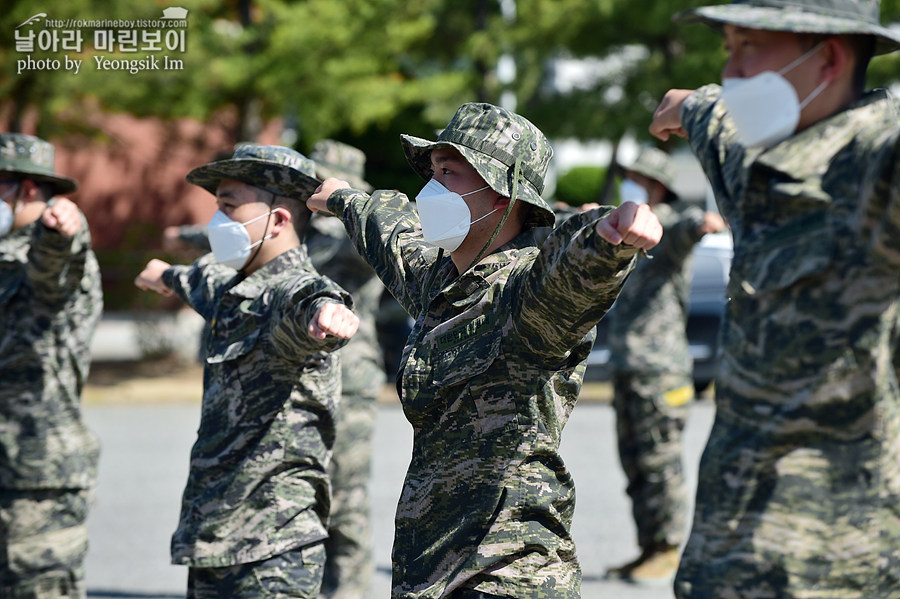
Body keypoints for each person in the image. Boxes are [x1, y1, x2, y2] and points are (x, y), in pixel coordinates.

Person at [308, 102, 663, 599]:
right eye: (432, 172)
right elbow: (389, 228)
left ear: (502, 197)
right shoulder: (438, 279)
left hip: (506, 573)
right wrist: (342, 197)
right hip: (428, 572)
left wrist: (612, 238)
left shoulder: (523, 292)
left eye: (450, 172)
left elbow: (571, 270)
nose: (431, 189)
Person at [649, 0, 900, 596]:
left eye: (750, 48)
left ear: (830, 56)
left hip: (835, 572)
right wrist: (688, 105)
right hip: (727, 563)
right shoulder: (760, 166)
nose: (732, 71)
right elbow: (714, 118)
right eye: (728, 49)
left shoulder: (875, 163)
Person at [134, 144, 360, 599]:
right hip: (214, 539)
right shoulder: (228, 283)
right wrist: (163, 274)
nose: (217, 224)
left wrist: (330, 315)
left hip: (274, 551)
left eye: (228, 208)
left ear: (278, 220)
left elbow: (312, 302)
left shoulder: (293, 291)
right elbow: (194, 278)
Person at [603, 147, 725, 586]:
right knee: (635, 465)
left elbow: (690, 225)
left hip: (661, 370)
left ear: (657, 186)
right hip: (627, 365)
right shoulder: (625, 227)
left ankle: (671, 550)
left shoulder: (668, 226)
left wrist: (704, 223)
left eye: (638, 177)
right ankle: (649, 547)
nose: (630, 182)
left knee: (661, 464)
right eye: (629, 175)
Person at [0, 133, 103, 598]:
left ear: (25, 190)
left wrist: (64, 234)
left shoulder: (48, 247)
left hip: (36, 477)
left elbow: (54, 272)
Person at [306, 139, 386, 599]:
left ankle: (349, 591)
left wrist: (346, 209)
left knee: (345, 497)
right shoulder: (306, 233)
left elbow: (367, 249)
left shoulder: (356, 235)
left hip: (349, 378)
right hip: (303, 375)